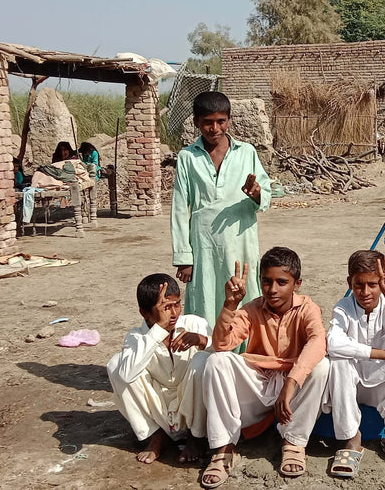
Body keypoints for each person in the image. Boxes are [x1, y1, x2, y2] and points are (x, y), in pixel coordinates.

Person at [200, 247, 328, 488]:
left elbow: (318, 341)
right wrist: (229, 305)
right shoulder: (251, 309)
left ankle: (293, 442)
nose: (273, 289)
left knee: (322, 366)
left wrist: (291, 381)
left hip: (293, 388)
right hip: (260, 383)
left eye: (282, 282)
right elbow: (221, 344)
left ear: (296, 284)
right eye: (266, 281)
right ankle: (223, 447)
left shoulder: (307, 309)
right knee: (217, 361)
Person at [172, 91, 273, 332]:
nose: (214, 128)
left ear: (229, 121)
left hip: (241, 241)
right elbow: (179, 208)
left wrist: (256, 192)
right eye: (207, 122)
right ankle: (206, 353)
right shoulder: (187, 157)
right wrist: (184, 257)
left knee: (243, 294)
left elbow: (266, 193)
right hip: (203, 243)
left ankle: (245, 353)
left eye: (221, 121)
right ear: (196, 122)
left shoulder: (246, 152)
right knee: (205, 295)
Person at [324, 250, 385, 478]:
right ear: (350, 282)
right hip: (351, 386)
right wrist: (381, 354)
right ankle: (351, 438)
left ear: (381, 284)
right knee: (337, 360)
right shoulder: (344, 307)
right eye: (359, 285)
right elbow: (333, 343)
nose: (365, 292)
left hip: (382, 388)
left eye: (372, 285)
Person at [105, 273, 211, 465]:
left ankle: (196, 437)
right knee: (116, 365)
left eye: (176, 304)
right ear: (144, 313)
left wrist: (202, 341)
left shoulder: (195, 324)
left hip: (192, 408)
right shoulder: (136, 337)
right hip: (160, 411)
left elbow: (223, 357)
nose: (173, 314)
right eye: (164, 308)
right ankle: (156, 436)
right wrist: (158, 330)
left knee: (204, 360)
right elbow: (126, 376)